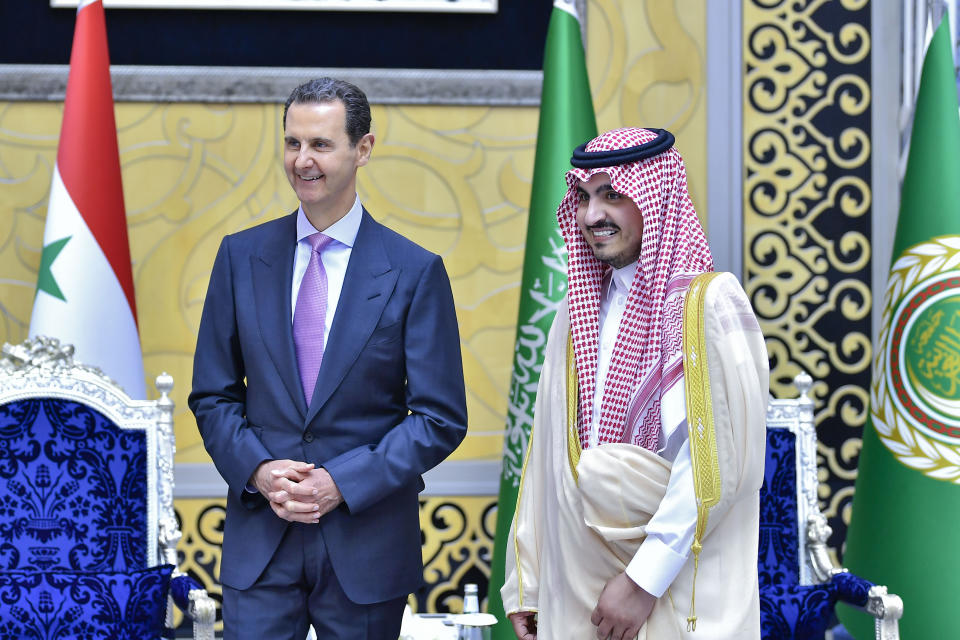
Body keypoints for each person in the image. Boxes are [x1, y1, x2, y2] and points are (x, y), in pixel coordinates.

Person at [189, 77, 468, 640]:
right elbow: (213, 395)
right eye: (292, 143)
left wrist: (341, 481)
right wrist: (260, 471)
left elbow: (440, 418)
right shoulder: (240, 257)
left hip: (365, 545)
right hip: (260, 540)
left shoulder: (415, 272)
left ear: (362, 149)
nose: (302, 160)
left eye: (320, 144)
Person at [501, 128, 768, 639]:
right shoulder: (573, 313)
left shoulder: (707, 304)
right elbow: (548, 458)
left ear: (656, 199)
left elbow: (716, 463)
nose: (592, 216)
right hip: (580, 592)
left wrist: (642, 583)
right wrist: (531, 582)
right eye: (584, 197)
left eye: (613, 195)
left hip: (676, 588)